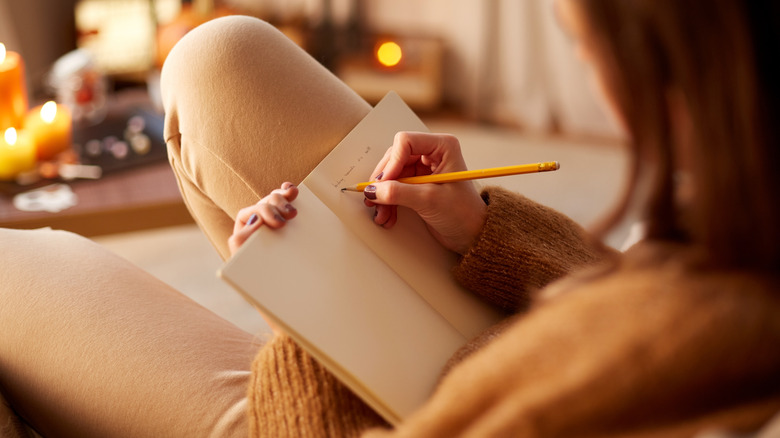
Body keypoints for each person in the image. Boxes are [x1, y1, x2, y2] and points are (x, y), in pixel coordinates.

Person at [1, 0, 778, 436]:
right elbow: (624, 309)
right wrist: (483, 229)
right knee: (221, 58)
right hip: (486, 341)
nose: (593, 74)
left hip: (347, 419)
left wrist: (306, 318)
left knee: (16, 271)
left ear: (681, 69)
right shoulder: (741, 237)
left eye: (582, 48)